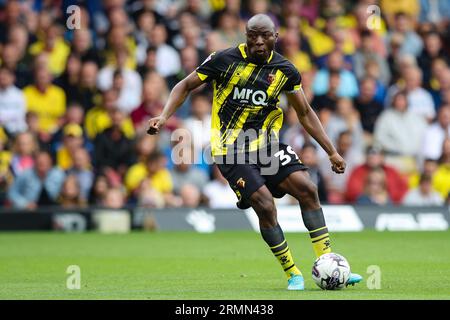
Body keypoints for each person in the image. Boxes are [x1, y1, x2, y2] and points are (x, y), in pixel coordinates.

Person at [146, 14, 362, 290]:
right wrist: (164, 117)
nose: (258, 42)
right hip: (230, 150)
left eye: (264, 36)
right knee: (264, 204)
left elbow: (305, 112)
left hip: (266, 146)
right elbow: (185, 85)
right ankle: (292, 272)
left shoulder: (286, 70)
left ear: (275, 36)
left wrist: (331, 151)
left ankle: (329, 263)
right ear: (246, 36)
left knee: (307, 189)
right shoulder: (223, 60)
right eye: (252, 36)